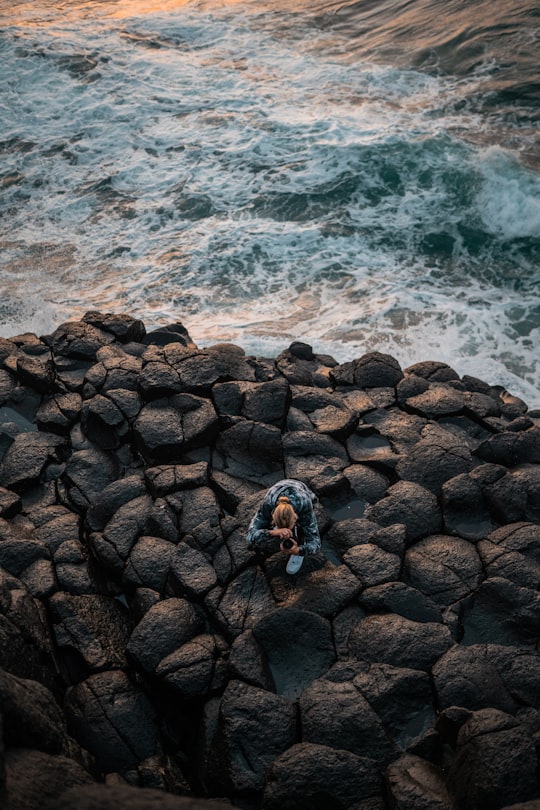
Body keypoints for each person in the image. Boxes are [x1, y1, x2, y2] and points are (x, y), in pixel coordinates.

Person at [246, 479, 321, 574]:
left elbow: (316, 543)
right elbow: (249, 536)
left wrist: (298, 550)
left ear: (296, 517)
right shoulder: (268, 504)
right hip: (278, 488)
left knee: (303, 529)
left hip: (303, 491)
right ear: (272, 515)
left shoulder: (304, 506)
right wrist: (272, 532)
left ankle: (299, 545)